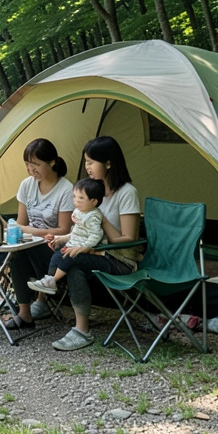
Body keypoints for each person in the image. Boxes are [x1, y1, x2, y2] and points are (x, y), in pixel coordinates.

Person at [49, 135, 142, 351]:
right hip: (96, 255)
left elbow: (129, 240)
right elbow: (82, 231)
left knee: (76, 258)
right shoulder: (92, 191)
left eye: (91, 162)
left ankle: (78, 326)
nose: (87, 167)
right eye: (86, 162)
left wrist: (99, 216)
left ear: (108, 163)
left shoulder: (127, 193)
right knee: (72, 259)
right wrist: (63, 239)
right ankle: (81, 328)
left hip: (121, 261)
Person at [0, 139, 73, 327]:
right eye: (28, 165)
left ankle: (33, 308)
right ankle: (25, 314)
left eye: (36, 164)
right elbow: (20, 224)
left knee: (21, 252)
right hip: (29, 245)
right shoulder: (27, 185)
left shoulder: (66, 190)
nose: (31, 169)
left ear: (52, 162)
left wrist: (32, 231)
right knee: (16, 253)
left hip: (54, 250)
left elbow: (64, 230)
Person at [27, 177, 105, 296]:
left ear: (94, 201)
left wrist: (86, 247)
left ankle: (53, 280)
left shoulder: (93, 216)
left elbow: (96, 234)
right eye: (74, 196)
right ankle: (49, 280)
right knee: (56, 257)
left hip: (81, 249)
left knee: (67, 259)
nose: (76, 201)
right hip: (72, 245)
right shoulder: (80, 211)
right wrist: (62, 239)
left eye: (81, 198)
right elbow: (76, 232)